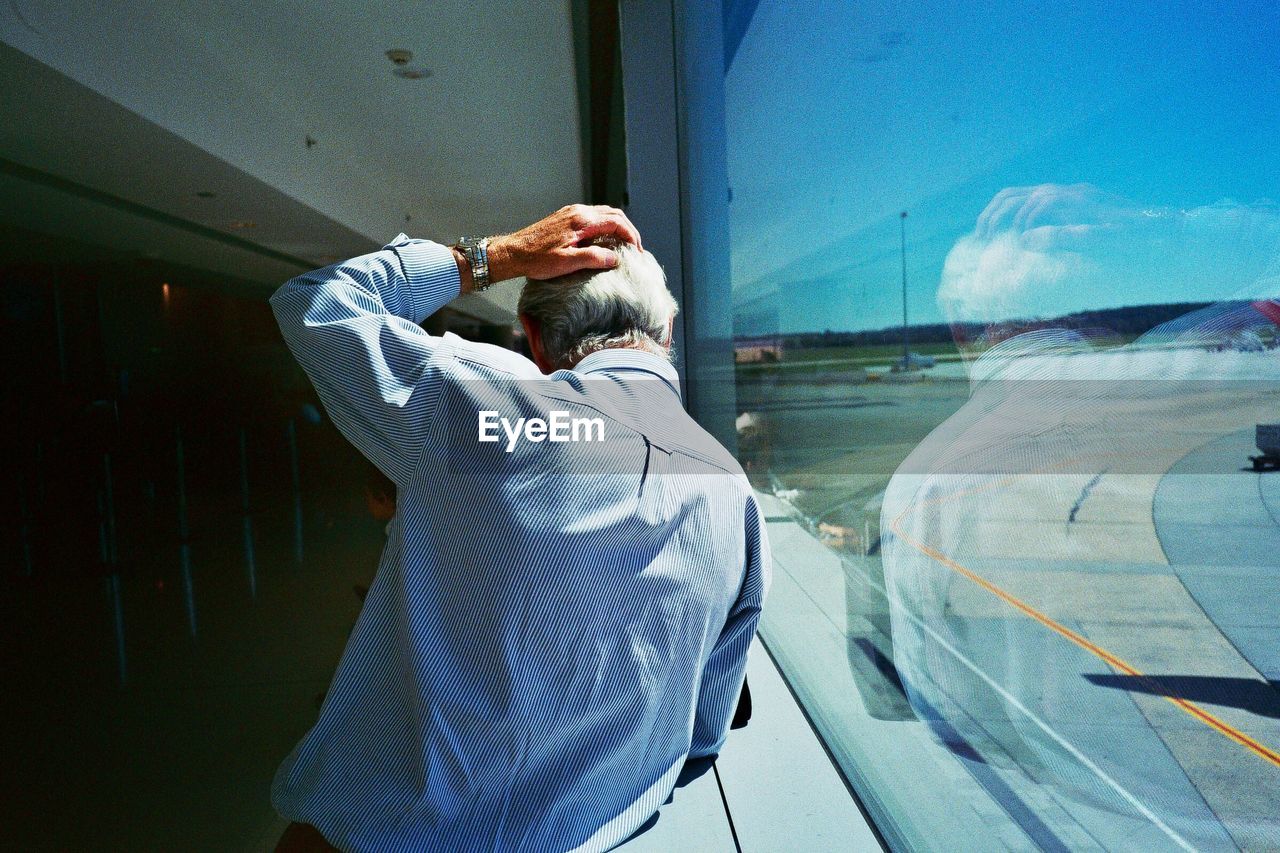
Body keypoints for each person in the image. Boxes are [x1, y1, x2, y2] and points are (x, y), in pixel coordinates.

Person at [269, 205, 770, 852]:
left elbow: (315, 303)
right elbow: (701, 738)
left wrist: (496, 256)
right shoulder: (732, 490)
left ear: (534, 337)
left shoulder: (484, 410)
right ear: (668, 329)